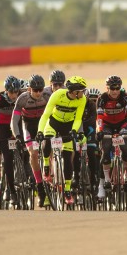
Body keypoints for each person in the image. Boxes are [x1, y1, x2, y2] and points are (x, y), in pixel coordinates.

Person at [37, 76, 88, 206]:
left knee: (67, 155)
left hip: (68, 126)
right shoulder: (57, 95)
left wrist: (75, 131)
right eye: (81, 90)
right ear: (75, 91)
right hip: (53, 123)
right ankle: (46, 165)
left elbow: (78, 119)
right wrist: (40, 131)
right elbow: (46, 114)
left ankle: (67, 190)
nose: (83, 93)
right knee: (47, 141)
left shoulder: (82, 99)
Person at [11, 74, 50, 207]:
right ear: (29, 90)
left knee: (48, 149)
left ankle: (50, 174)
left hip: (43, 125)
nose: (39, 93)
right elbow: (14, 121)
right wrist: (17, 136)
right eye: (35, 90)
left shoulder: (47, 96)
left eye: (40, 90)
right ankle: (40, 188)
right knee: (33, 154)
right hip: (28, 126)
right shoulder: (23, 99)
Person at [96, 75, 127, 200]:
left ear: (120, 88)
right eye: (112, 88)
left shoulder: (125, 97)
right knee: (106, 150)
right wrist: (99, 131)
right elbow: (99, 117)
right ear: (107, 88)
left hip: (122, 124)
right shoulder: (101, 99)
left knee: (126, 150)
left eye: (117, 88)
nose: (114, 91)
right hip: (107, 125)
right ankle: (107, 179)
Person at [0, 76, 22, 206]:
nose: (14, 95)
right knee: (8, 159)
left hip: (16, 126)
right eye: (11, 92)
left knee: (24, 153)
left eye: (16, 92)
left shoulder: (21, 97)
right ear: (6, 90)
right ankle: (12, 191)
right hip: (2, 128)